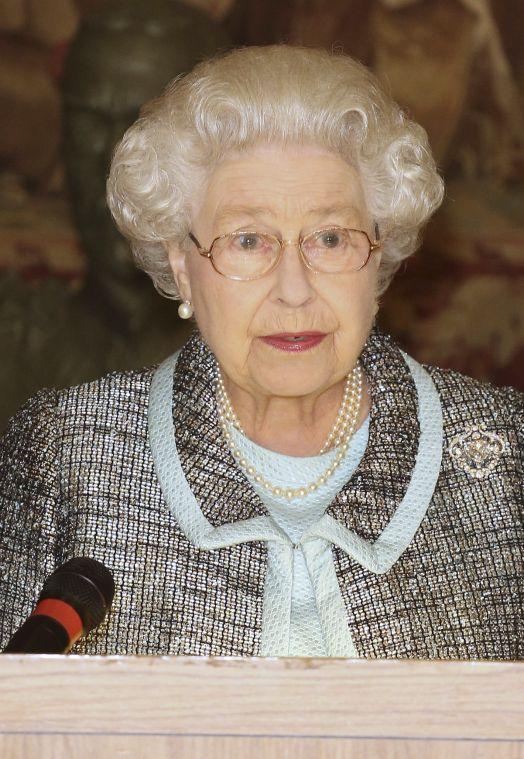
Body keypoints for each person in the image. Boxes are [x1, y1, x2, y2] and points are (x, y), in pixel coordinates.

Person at [0, 45, 522, 658]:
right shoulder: (67, 453)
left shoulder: (507, 459)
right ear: (182, 264)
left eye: (330, 238)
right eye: (248, 241)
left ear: (378, 254)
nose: (295, 291)